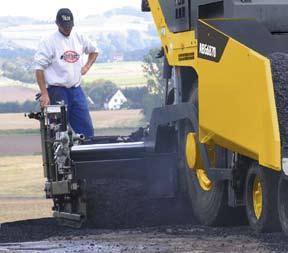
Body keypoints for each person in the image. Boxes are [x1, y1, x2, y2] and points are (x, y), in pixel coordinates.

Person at [34, 8, 98, 137]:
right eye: (64, 26)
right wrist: (45, 94)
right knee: (58, 132)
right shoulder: (48, 41)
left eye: (69, 26)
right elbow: (39, 68)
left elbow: (94, 51)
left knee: (86, 130)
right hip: (57, 91)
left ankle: (87, 153)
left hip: (76, 89)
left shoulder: (79, 37)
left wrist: (87, 66)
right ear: (57, 24)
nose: (67, 29)